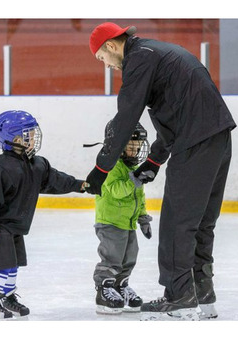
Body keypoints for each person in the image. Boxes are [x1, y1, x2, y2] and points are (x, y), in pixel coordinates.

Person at [85, 22, 236, 320]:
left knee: (177, 223)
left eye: (102, 57)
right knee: (202, 221)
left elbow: (127, 115)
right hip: (218, 138)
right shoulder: (159, 53)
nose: (106, 65)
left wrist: (101, 168)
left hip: (195, 142)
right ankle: (202, 294)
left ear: (112, 45)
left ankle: (179, 296)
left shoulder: (139, 60)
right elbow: (175, 112)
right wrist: (154, 162)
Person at [0, 110, 88, 320]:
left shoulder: (36, 164)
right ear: (15, 139)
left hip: (16, 226)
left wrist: (78, 185)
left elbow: (55, 180)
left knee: (13, 263)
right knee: (0, 264)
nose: (34, 137)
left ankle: (6, 297)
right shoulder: (0, 167)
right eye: (29, 134)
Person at [87, 120, 153, 315]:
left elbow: (138, 195)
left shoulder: (131, 167)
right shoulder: (109, 165)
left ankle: (120, 286)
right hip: (110, 222)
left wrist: (142, 217)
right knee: (112, 258)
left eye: (138, 146)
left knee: (129, 257)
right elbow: (116, 191)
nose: (135, 150)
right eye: (130, 146)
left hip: (128, 223)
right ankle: (104, 290)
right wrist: (135, 180)